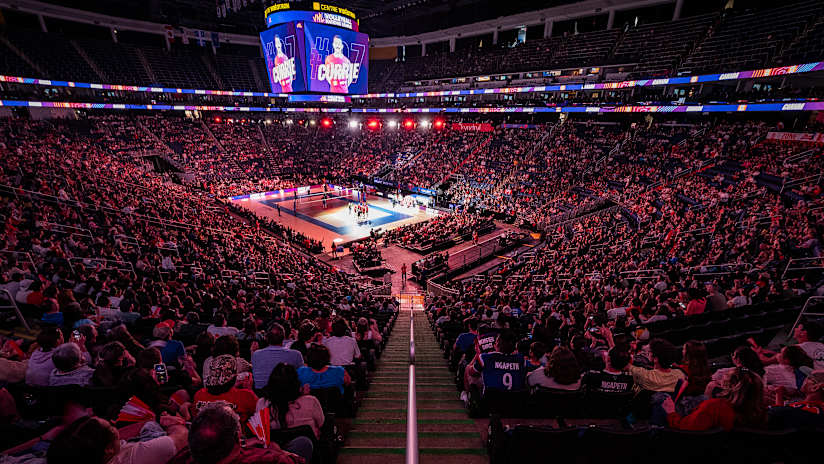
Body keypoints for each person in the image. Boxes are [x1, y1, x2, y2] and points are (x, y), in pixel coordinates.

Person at [168, 403, 306, 464]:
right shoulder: (269, 459)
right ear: (237, 438)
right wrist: (278, 451)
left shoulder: (183, 457)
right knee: (303, 443)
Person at [662, 367, 766, 430]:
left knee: (661, 398)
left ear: (730, 387)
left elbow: (685, 428)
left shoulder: (715, 406)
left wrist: (671, 412)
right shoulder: (762, 411)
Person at [257, 363, 324, 439]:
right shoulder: (310, 401)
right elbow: (321, 423)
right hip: (307, 448)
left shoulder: (262, 403)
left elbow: (261, 431)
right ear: (296, 383)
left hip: (276, 447)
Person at [194, 354, 258, 423]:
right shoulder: (246, 396)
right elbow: (260, 417)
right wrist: (249, 389)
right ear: (234, 377)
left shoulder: (199, 395)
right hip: (235, 433)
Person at [252, 323, 304, 390]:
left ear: (267, 338)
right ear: (283, 338)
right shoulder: (296, 354)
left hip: (262, 394)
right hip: (286, 394)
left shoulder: (256, 354)